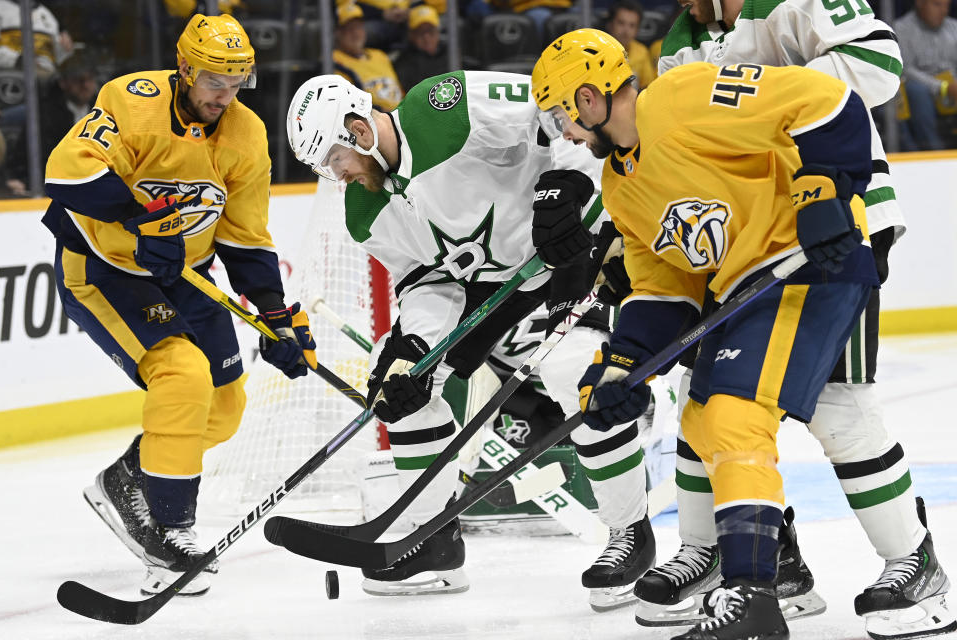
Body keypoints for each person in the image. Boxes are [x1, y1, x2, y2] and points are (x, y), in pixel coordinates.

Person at [533, 27, 895, 639]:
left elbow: (827, 101)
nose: (561, 133)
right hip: (746, 289)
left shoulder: (680, 97)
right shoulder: (621, 187)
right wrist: (623, 365)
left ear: (589, 99)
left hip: (812, 262)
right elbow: (663, 288)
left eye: (559, 114)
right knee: (701, 416)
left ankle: (753, 594)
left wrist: (822, 188)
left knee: (741, 414)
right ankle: (757, 572)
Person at [286, 70, 657, 600]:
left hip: (577, 250)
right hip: (502, 289)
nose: (334, 173)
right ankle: (432, 542)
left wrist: (569, 183)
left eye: (332, 158)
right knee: (405, 390)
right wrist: (412, 347)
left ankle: (631, 534)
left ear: (356, 129)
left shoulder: (441, 105)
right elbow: (428, 282)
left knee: (577, 369)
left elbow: (558, 113)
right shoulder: (364, 212)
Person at [647, 0, 955, 637]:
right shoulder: (681, 42)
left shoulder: (796, 2)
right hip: (737, 246)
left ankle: (914, 564)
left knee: (838, 405)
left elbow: (878, 63)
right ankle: (754, 558)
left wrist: (777, 103)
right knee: (703, 396)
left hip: (832, 230)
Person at [42, 13, 315, 597]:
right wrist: (143, 223)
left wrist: (273, 314)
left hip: (183, 275)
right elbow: (67, 171)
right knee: (181, 373)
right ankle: (169, 527)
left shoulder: (246, 134)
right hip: (105, 268)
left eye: (238, 81)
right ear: (185, 67)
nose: (226, 95)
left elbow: (245, 237)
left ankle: (129, 480)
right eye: (216, 80)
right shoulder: (132, 99)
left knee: (224, 406)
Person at [4, 50, 99, 196]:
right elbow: (31, 159)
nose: (86, 85)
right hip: (55, 187)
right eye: (79, 80)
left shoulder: (104, 109)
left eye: (90, 79)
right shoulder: (44, 113)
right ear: (63, 83)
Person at [895, 0, 957, 150]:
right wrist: (942, 87)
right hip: (923, 90)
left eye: (946, 6)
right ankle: (934, 152)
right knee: (916, 91)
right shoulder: (901, 28)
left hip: (953, 88)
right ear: (920, 3)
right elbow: (905, 69)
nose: (943, 11)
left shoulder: (954, 27)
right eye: (937, 4)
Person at [333, 2, 404, 111]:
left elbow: (400, 93)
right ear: (338, 33)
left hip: (400, 115)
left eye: (358, 27)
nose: (356, 33)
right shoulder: (335, 60)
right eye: (349, 29)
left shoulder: (380, 55)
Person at [0, 0, 72, 77]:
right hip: (8, 80)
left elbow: (55, 57)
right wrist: (22, 61)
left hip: (45, 82)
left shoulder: (48, 14)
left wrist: (64, 50)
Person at [392, 5, 449, 92]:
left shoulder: (451, 53)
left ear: (438, 32)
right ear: (411, 35)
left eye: (430, 31)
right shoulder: (403, 63)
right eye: (420, 32)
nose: (426, 38)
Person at [604, 0, 656, 88]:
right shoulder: (597, 50)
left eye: (632, 25)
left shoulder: (642, 52)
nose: (626, 30)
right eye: (621, 23)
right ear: (610, 24)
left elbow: (648, 87)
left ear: (637, 30)